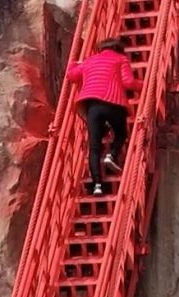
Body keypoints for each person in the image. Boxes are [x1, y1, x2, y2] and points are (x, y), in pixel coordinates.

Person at [66, 37, 136, 196]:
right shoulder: (121, 59)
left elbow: (71, 76)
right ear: (119, 49)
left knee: (94, 147)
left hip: (92, 105)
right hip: (114, 102)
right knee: (121, 133)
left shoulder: (89, 60)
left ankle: (97, 185)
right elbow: (128, 83)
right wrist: (144, 85)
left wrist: (74, 63)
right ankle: (112, 154)